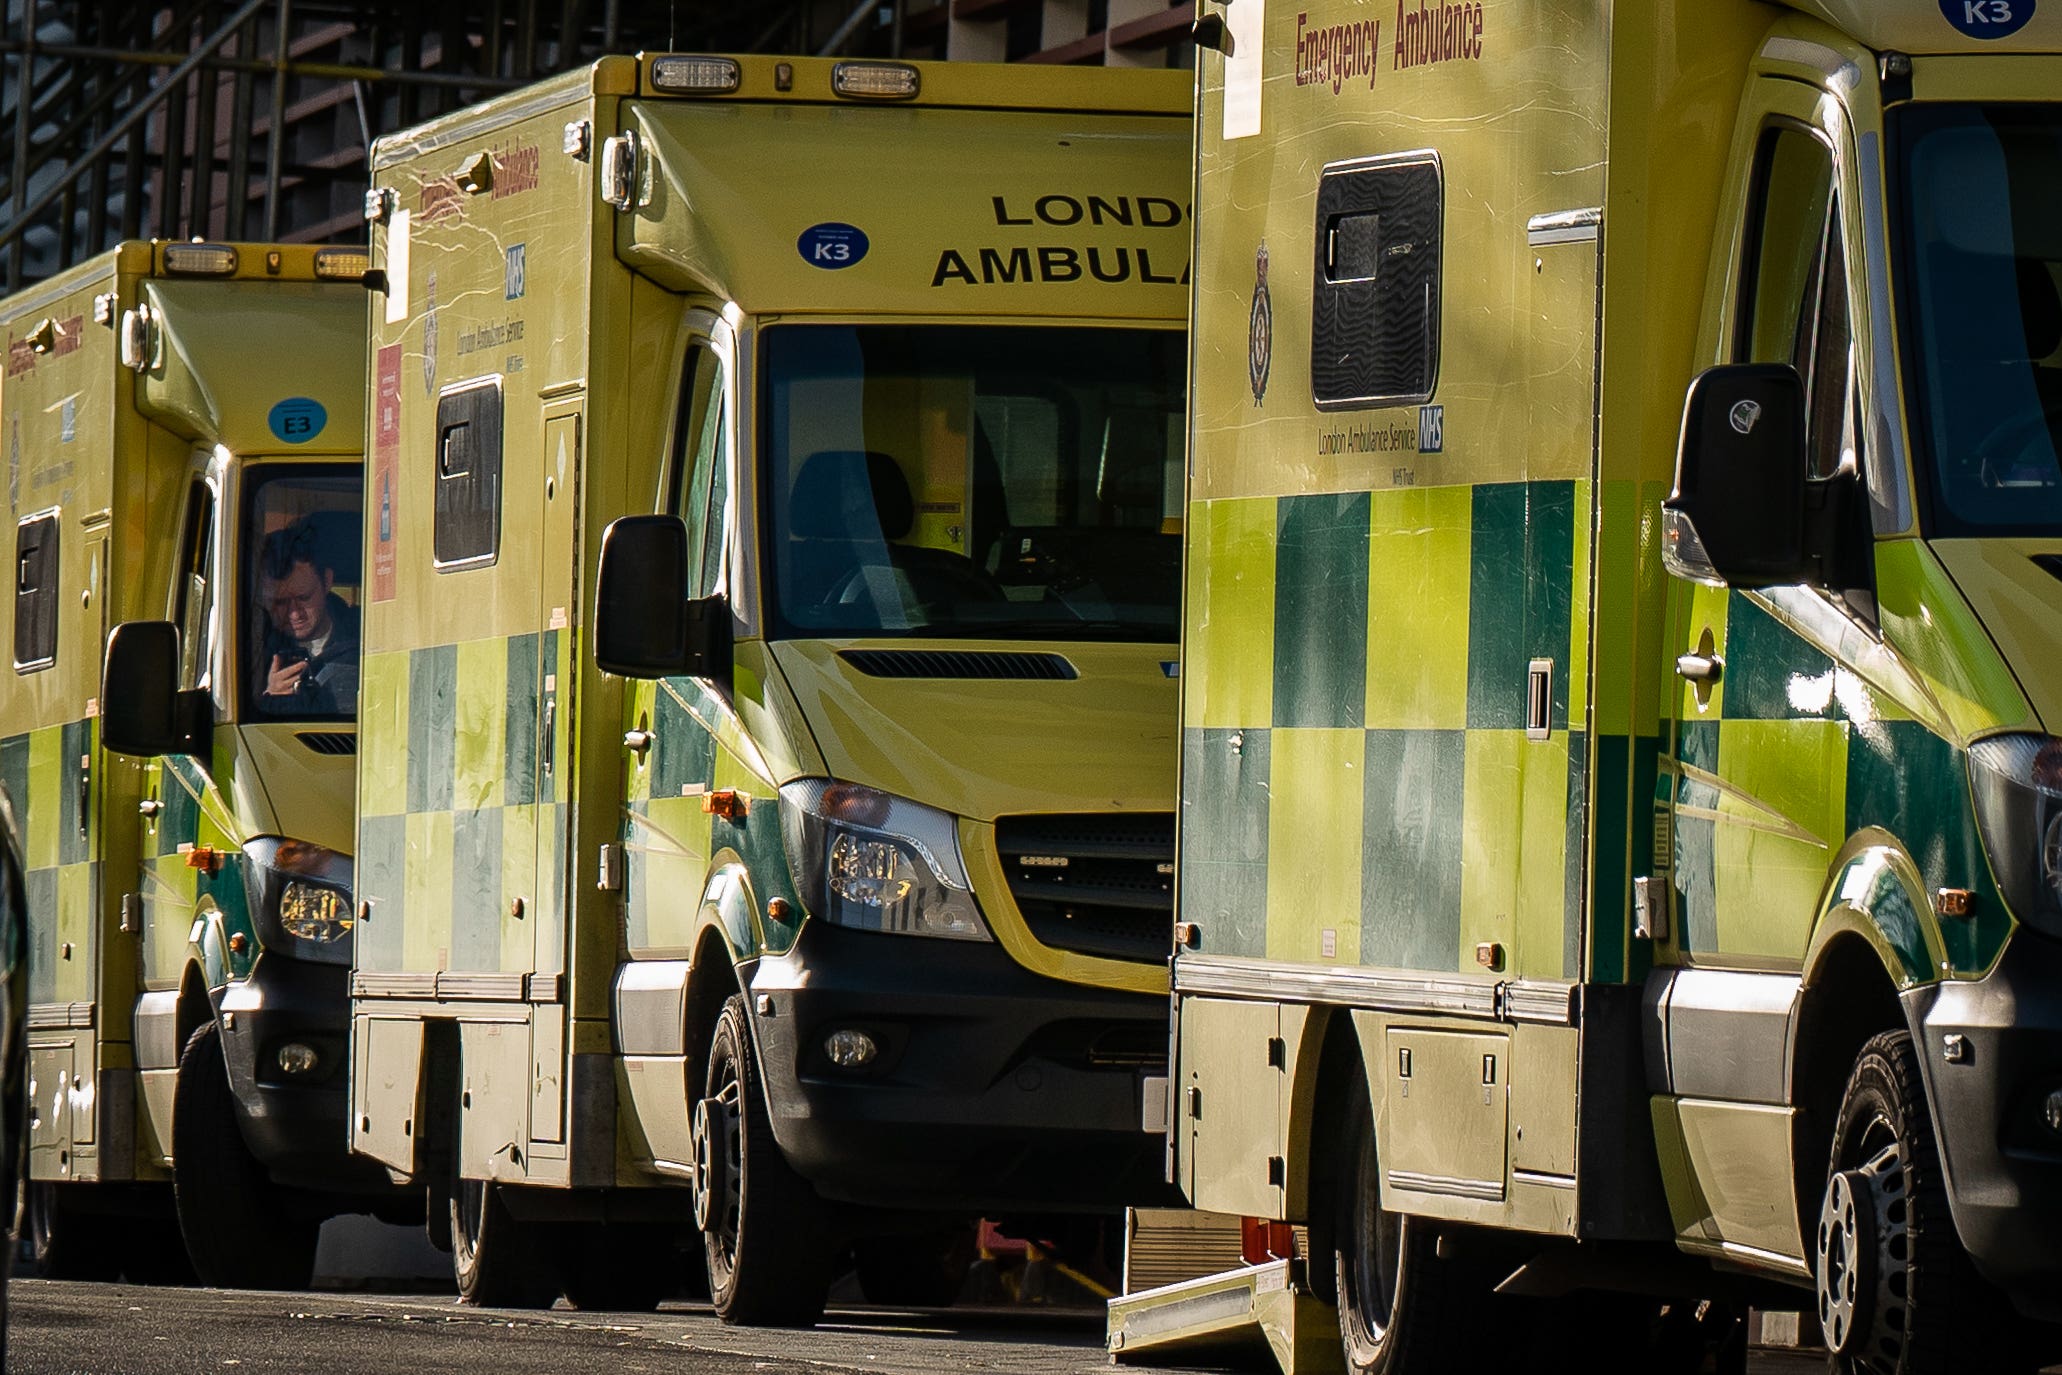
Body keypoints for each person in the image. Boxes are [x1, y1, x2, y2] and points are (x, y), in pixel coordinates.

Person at [255, 520, 359, 715]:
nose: (294, 614)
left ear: (327, 581)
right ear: (262, 597)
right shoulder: (249, 651)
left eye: (304, 598)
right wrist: (270, 698)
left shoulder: (366, 639)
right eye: (280, 603)